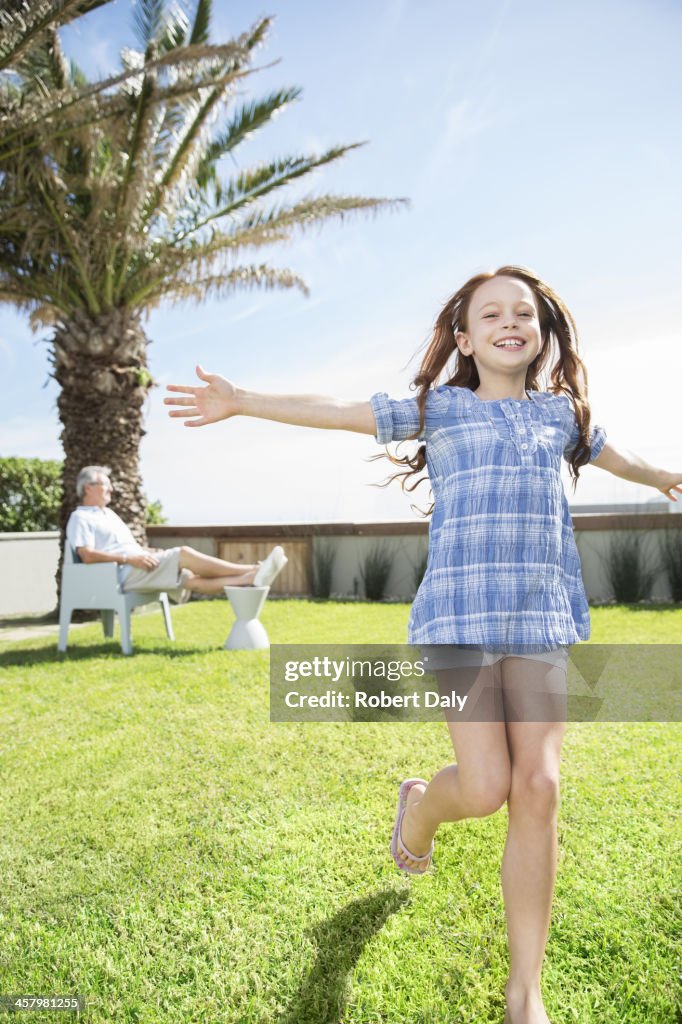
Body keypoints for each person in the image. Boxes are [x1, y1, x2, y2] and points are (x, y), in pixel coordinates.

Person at [164, 265, 681, 1024]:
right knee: (483, 790)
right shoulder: (436, 408)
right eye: (493, 314)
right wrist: (244, 401)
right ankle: (420, 806)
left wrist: (666, 476)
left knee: (538, 788)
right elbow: (341, 409)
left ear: (542, 335)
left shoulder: (561, 415)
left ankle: (524, 991)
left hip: (541, 621)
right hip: (458, 624)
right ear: (465, 337)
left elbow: (613, 455)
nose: (513, 323)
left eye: (527, 315)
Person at [66, 466, 287, 601]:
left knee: (191, 581)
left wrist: (147, 552)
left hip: (137, 565)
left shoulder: (109, 515)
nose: (111, 489)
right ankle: (254, 569)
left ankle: (251, 578)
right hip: (122, 573)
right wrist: (129, 558)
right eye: (106, 485)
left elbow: (124, 546)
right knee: (184, 553)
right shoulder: (81, 518)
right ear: (88, 488)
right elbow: (86, 555)